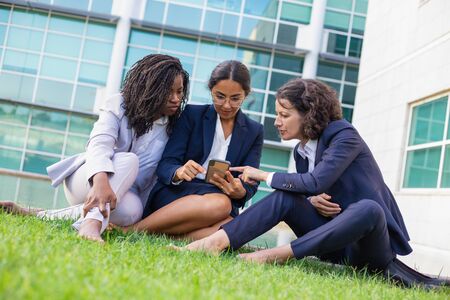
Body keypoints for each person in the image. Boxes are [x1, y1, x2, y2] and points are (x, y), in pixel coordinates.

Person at [182, 78, 448, 288]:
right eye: (277, 114)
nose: (277, 122)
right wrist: (312, 201)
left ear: (308, 114)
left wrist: (263, 175)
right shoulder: (301, 151)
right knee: (284, 197)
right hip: (332, 245)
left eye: (284, 115)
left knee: (368, 208)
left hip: (370, 247)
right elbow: (310, 188)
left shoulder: (344, 135)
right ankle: (214, 243)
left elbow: (316, 180)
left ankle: (274, 256)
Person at [0, 54, 189, 243]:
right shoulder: (119, 104)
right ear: (151, 89)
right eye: (168, 92)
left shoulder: (175, 128)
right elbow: (99, 143)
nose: (176, 99)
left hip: (121, 198)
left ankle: (39, 214)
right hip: (90, 179)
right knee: (129, 160)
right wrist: (100, 183)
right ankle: (91, 224)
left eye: (180, 92)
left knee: (133, 212)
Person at [118, 60, 264, 240]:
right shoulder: (192, 114)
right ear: (211, 90)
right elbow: (166, 164)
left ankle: (170, 236)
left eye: (235, 98)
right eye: (220, 96)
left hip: (219, 197)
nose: (227, 105)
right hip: (178, 195)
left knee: (235, 224)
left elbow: (251, 181)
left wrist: (241, 191)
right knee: (222, 206)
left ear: (246, 95)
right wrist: (179, 172)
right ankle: (133, 230)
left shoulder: (254, 131)